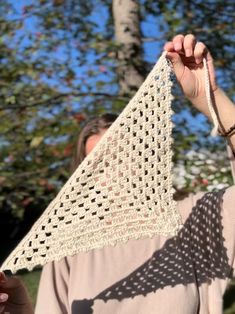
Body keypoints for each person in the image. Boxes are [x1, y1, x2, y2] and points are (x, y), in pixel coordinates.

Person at [0, 34, 235, 314]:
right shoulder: (69, 246)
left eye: (122, 156)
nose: (114, 171)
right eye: (98, 164)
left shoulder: (194, 217)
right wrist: (21, 309)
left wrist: (211, 98)